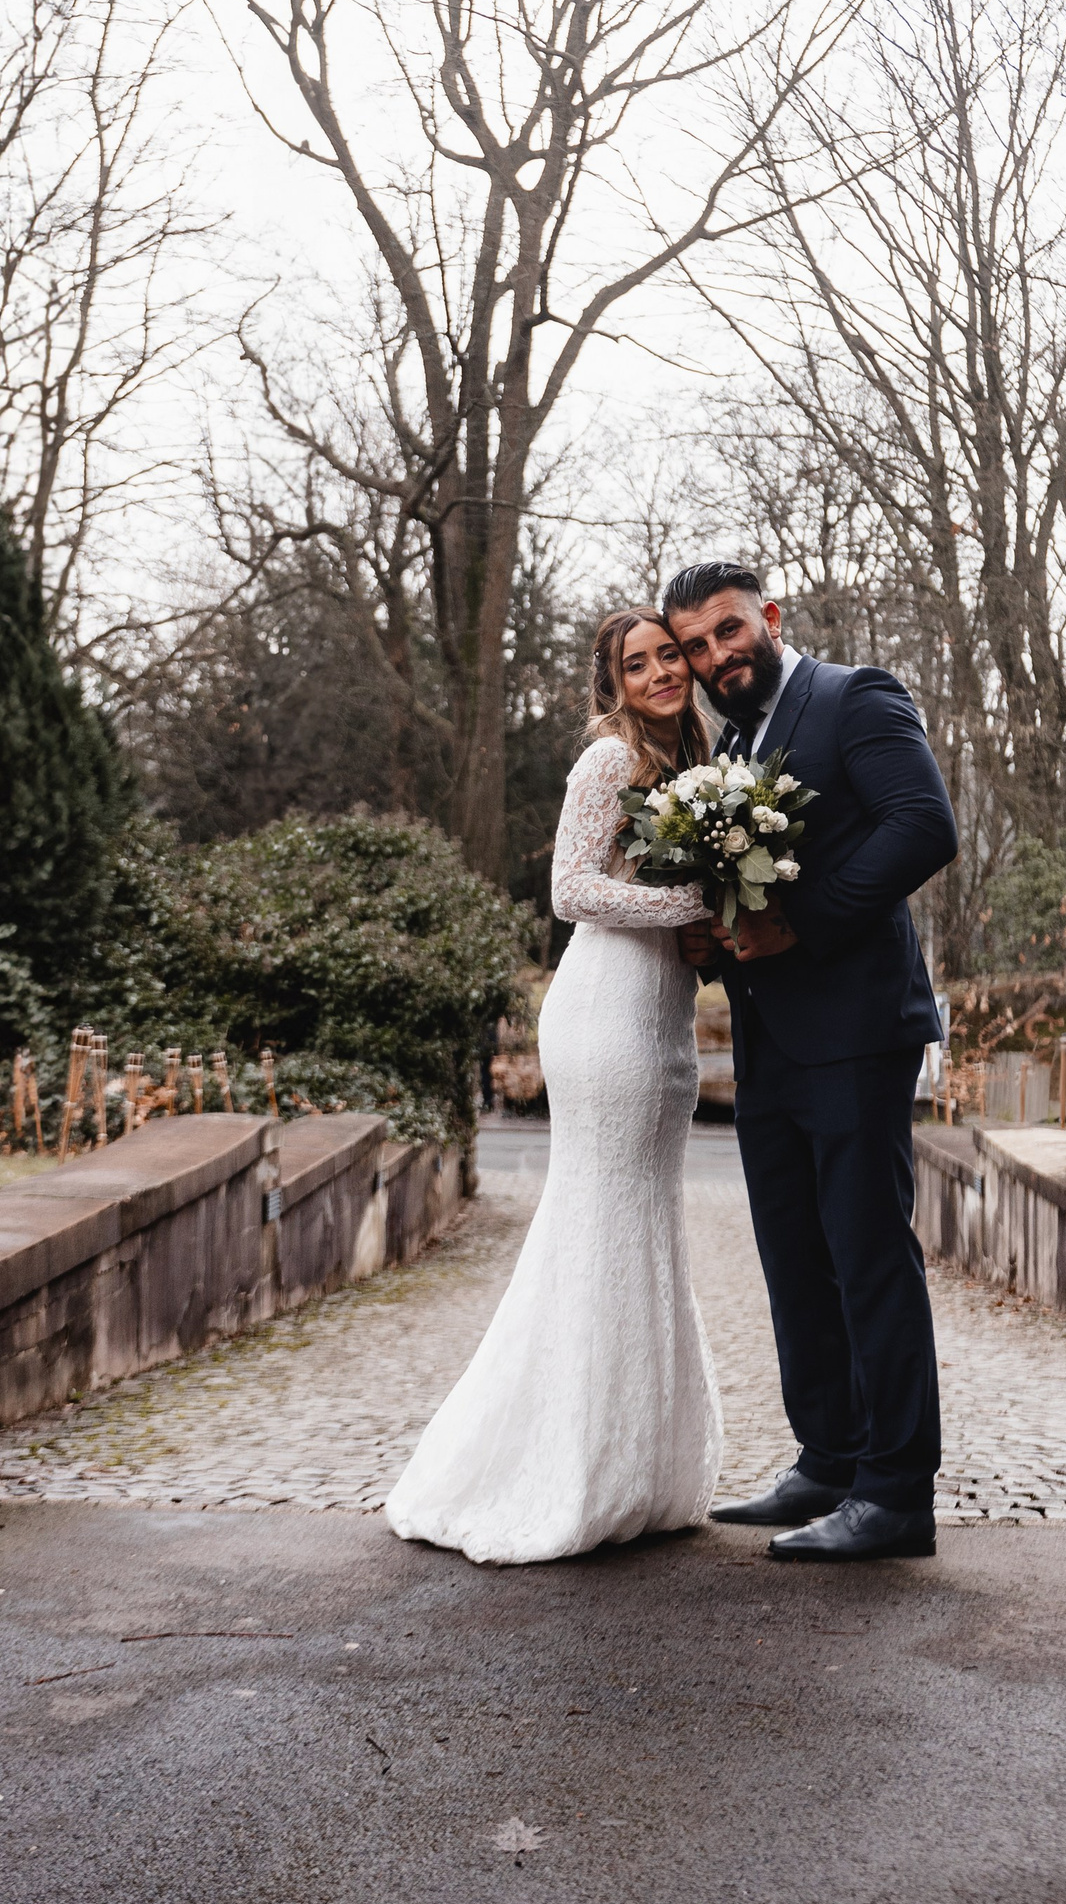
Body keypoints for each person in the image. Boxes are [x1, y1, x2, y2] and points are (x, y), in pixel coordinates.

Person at [385, 610, 722, 1563]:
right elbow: (570, 890)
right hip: (604, 1010)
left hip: (663, 1015)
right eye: (637, 664)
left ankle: (640, 1469)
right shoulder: (608, 761)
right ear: (614, 683)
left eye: (668, 655)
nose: (660, 673)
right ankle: (570, 1468)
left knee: (647, 1218)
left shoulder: (698, 765)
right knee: (599, 1216)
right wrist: (689, 901)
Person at [662, 558, 957, 1563]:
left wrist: (802, 924)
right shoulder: (730, 746)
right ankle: (828, 1457)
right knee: (795, 1261)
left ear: (771, 618)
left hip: (859, 1031)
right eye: (696, 645)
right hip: (769, 1043)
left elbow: (923, 827)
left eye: (728, 630)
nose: (716, 656)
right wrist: (714, 938)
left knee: (867, 1257)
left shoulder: (854, 697)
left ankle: (895, 1493)